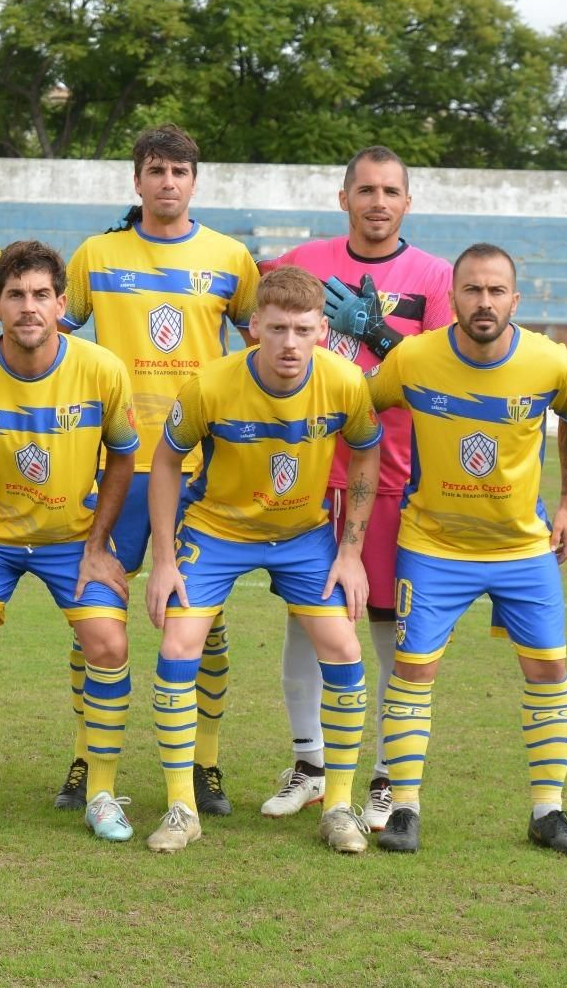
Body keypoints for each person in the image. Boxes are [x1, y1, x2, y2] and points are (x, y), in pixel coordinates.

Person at [143, 266, 382, 853]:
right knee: (178, 644)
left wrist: (350, 549)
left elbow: (366, 455)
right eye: (277, 328)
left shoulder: (346, 383)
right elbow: (166, 463)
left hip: (301, 535)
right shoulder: (210, 386)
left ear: (323, 331)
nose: (290, 343)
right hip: (218, 529)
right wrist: (165, 558)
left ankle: (341, 808)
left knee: (345, 647)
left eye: (303, 329)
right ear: (254, 328)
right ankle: (181, 808)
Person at [59, 124, 259, 815]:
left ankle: (205, 765)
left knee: (207, 625)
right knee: (96, 622)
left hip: (204, 467)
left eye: (179, 170)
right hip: (114, 465)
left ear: (194, 181)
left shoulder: (231, 258)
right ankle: (88, 757)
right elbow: (51, 332)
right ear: (136, 180)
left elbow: (264, 347)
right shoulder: (96, 254)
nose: (168, 181)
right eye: (156, 170)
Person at [367, 243, 567, 856]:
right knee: (414, 672)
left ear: (514, 300)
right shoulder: (414, 358)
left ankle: (548, 812)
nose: (484, 301)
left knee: (548, 670)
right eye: (472, 290)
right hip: (433, 545)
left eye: (496, 291)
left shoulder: (551, 362)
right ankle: (405, 807)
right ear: (454, 297)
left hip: (523, 548)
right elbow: (361, 407)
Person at [259, 145, 454, 830]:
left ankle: (379, 775)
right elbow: (246, 314)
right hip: (307, 473)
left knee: (386, 628)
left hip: (396, 476)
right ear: (344, 197)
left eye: (390, 191)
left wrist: (372, 328)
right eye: (365, 189)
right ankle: (310, 764)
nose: (377, 202)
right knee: (307, 623)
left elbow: (442, 373)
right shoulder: (304, 262)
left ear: (407, 202)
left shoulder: (435, 275)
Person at [0, 240, 140, 844]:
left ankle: (100, 791)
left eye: (41, 295)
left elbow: (123, 457)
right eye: (15, 295)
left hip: (72, 536)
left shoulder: (101, 369)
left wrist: (99, 545)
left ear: (61, 303)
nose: (28, 307)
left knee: (108, 644)